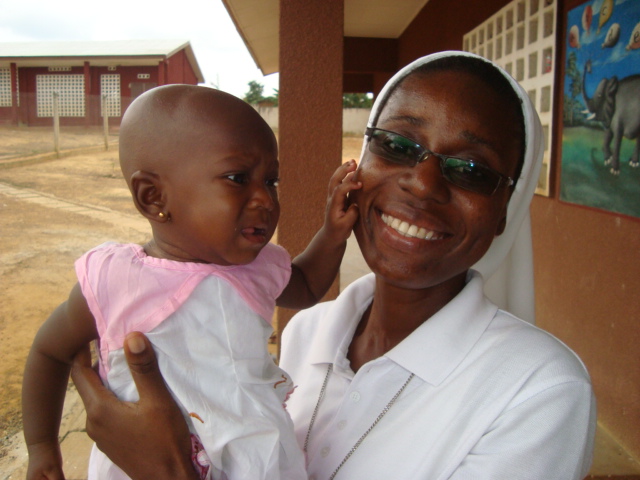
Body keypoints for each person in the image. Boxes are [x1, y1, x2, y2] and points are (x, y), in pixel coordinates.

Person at [70, 51, 597, 480]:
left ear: (507, 209)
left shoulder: (538, 392)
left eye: (473, 169)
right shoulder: (308, 333)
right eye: (397, 145)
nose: (423, 184)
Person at [22, 84, 362, 480]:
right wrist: (42, 448)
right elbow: (49, 352)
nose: (265, 200)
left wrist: (332, 235)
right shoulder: (116, 279)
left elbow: (305, 286)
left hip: (260, 463)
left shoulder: (257, 266)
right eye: (238, 178)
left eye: (271, 181)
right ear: (153, 197)